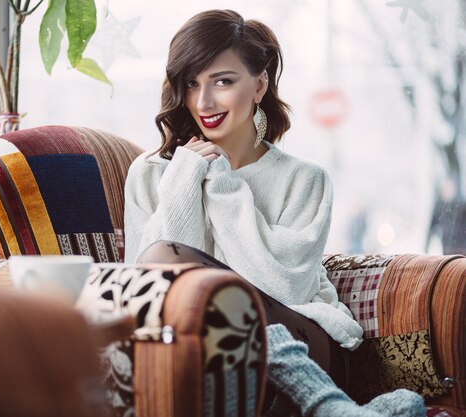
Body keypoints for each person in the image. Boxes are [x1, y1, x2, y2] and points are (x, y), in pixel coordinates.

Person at [124, 9, 425, 416]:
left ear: (259, 84)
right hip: (202, 355)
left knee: (180, 269)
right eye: (192, 84)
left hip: (307, 347)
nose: (203, 101)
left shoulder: (305, 180)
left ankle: (327, 400)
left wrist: (223, 184)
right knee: (162, 266)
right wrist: (185, 178)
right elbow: (148, 298)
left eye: (223, 82)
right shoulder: (153, 174)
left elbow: (284, 289)